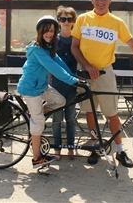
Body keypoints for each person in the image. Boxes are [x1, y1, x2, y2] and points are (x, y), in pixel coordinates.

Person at [71, 0, 133, 168]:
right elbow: (74, 46)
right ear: (92, 0)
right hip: (85, 73)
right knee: (90, 112)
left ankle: (119, 151)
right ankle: (96, 147)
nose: (101, 1)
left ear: (110, 0)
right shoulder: (82, 19)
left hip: (105, 72)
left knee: (112, 115)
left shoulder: (117, 22)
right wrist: (87, 66)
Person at [17, 15, 79, 168]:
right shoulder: (36, 49)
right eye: (46, 31)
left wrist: (74, 76)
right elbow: (53, 68)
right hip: (30, 89)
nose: (49, 33)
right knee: (38, 122)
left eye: (52, 30)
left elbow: (58, 62)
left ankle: (35, 115)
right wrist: (72, 81)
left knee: (60, 101)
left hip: (42, 87)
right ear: (40, 32)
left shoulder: (48, 47)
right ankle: (37, 158)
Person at [51, 6, 78, 161]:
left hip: (72, 86)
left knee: (71, 119)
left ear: (73, 21)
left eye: (69, 19)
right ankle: (57, 149)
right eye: (63, 19)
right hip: (56, 85)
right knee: (56, 120)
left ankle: (71, 147)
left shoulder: (77, 40)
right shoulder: (54, 40)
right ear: (59, 22)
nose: (66, 22)